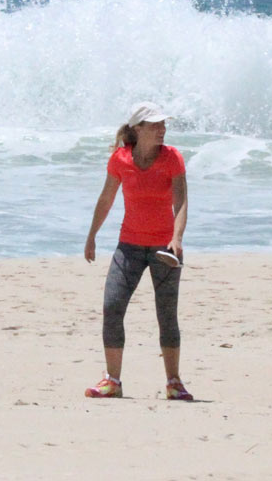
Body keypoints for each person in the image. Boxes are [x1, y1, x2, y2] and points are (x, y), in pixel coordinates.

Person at [84, 102, 193, 400]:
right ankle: (112, 381)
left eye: (163, 124)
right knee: (112, 307)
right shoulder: (120, 159)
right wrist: (92, 235)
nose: (162, 129)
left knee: (167, 315)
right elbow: (106, 198)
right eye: (155, 125)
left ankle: (174, 382)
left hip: (165, 248)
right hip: (129, 245)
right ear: (138, 129)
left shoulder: (172, 158)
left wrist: (177, 237)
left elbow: (181, 202)